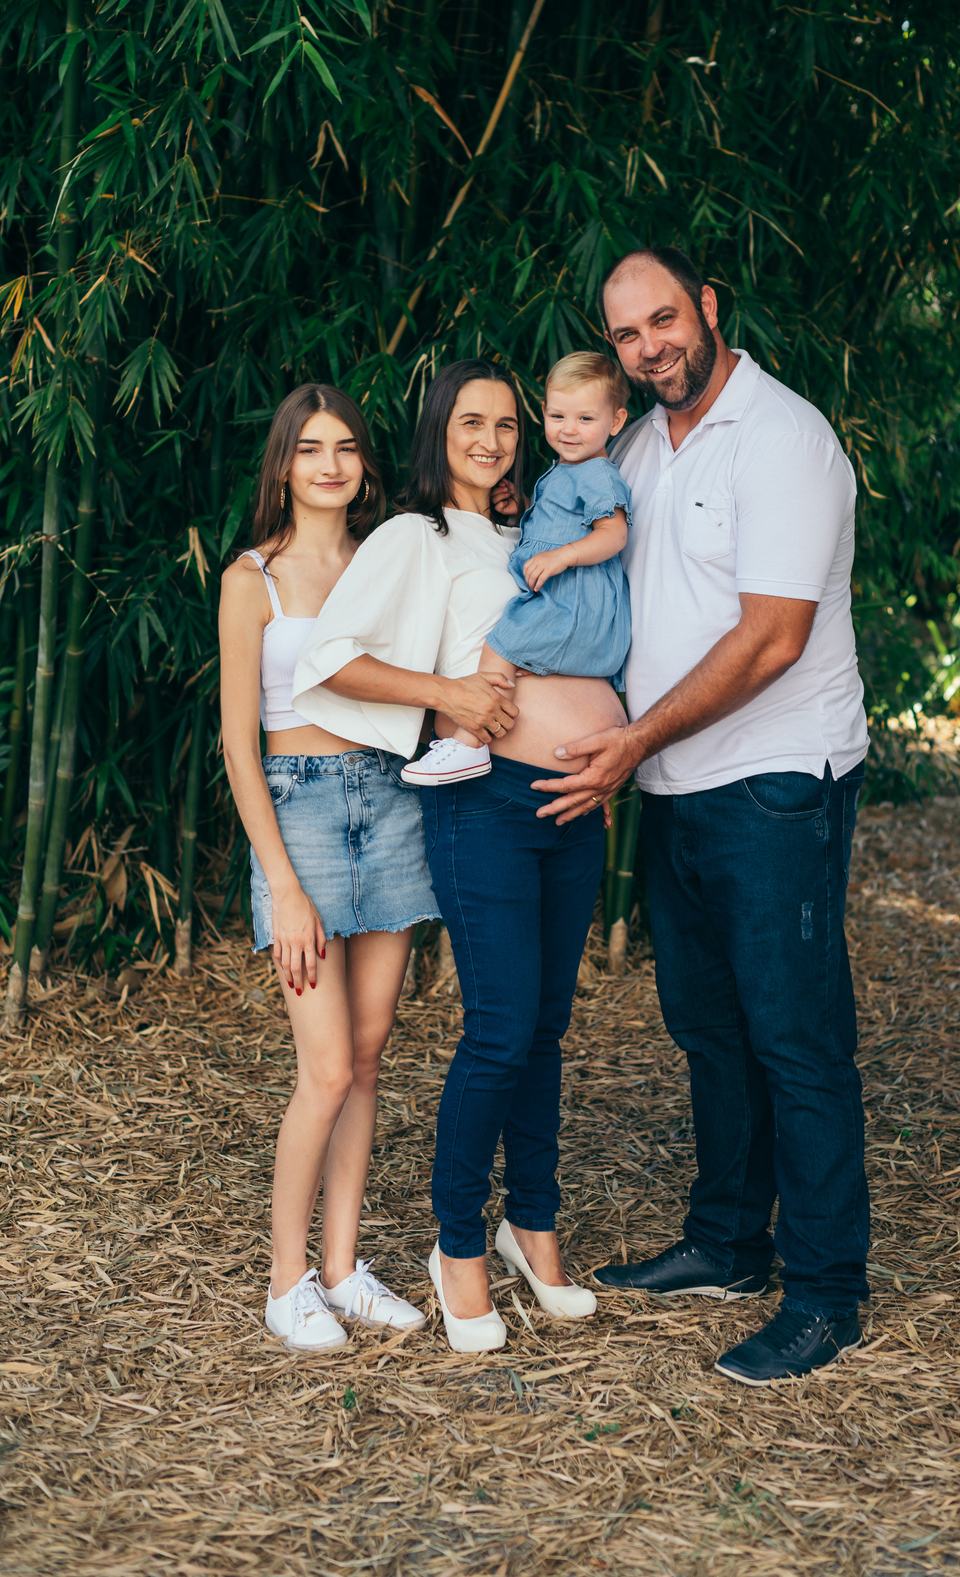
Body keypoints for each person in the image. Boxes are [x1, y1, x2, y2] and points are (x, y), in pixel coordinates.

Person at [533, 247, 871, 1386]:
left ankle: (825, 1292)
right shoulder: (636, 443)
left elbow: (774, 637)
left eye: (663, 320)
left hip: (777, 779)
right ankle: (730, 1243)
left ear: (709, 309)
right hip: (677, 781)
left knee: (795, 1033)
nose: (649, 347)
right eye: (627, 335)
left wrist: (629, 741)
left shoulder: (785, 439)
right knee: (711, 1027)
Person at [293, 359, 624, 1352]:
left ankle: (533, 1223)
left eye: (508, 425)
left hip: (574, 803)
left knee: (549, 1025)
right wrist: (445, 697)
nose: (492, 440)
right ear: (440, 430)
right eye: (472, 422)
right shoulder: (415, 535)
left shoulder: (535, 527)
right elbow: (330, 658)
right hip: (484, 803)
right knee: (501, 1025)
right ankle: (456, 1248)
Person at [219, 383, 435, 1353]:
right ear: (285, 464)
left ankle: (344, 1268)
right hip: (298, 812)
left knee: (371, 1049)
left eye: (345, 447)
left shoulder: (384, 562)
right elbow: (236, 741)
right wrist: (284, 881)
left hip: (389, 800)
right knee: (325, 1065)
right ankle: (284, 1279)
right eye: (311, 448)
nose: (331, 464)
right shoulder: (251, 579)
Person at [400, 351, 632, 785]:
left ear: (616, 422)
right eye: (559, 416)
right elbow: (563, 523)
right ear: (543, 413)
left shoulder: (598, 473)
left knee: (504, 639)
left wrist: (562, 556)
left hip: (574, 598)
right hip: (514, 790)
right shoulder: (563, 472)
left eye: (586, 419)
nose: (569, 429)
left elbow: (613, 534)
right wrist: (525, 508)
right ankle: (468, 738)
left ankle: (470, 742)